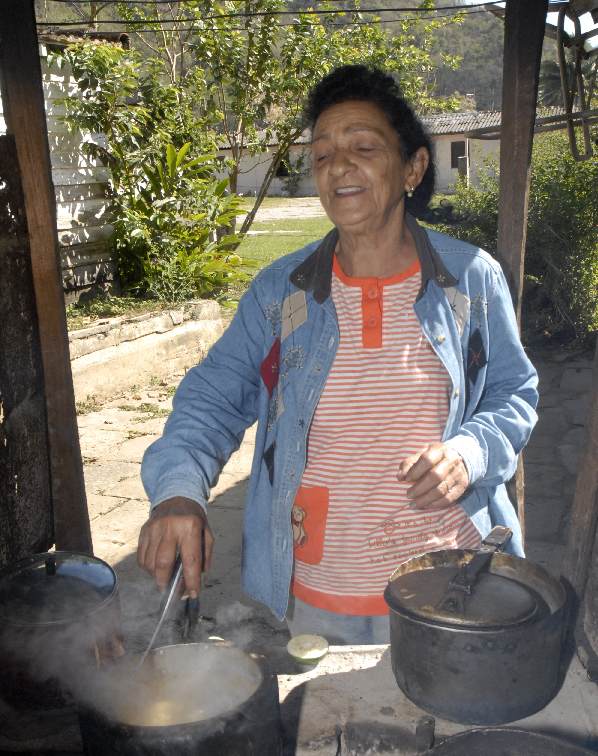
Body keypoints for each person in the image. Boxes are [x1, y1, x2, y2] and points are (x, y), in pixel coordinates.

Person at [137, 65, 538, 644]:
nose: (338, 166)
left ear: (413, 168)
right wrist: (178, 490)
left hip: (451, 584)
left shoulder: (470, 281)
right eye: (322, 155)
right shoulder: (282, 293)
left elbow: (514, 393)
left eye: (363, 147)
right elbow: (211, 398)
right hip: (321, 596)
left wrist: (471, 452)